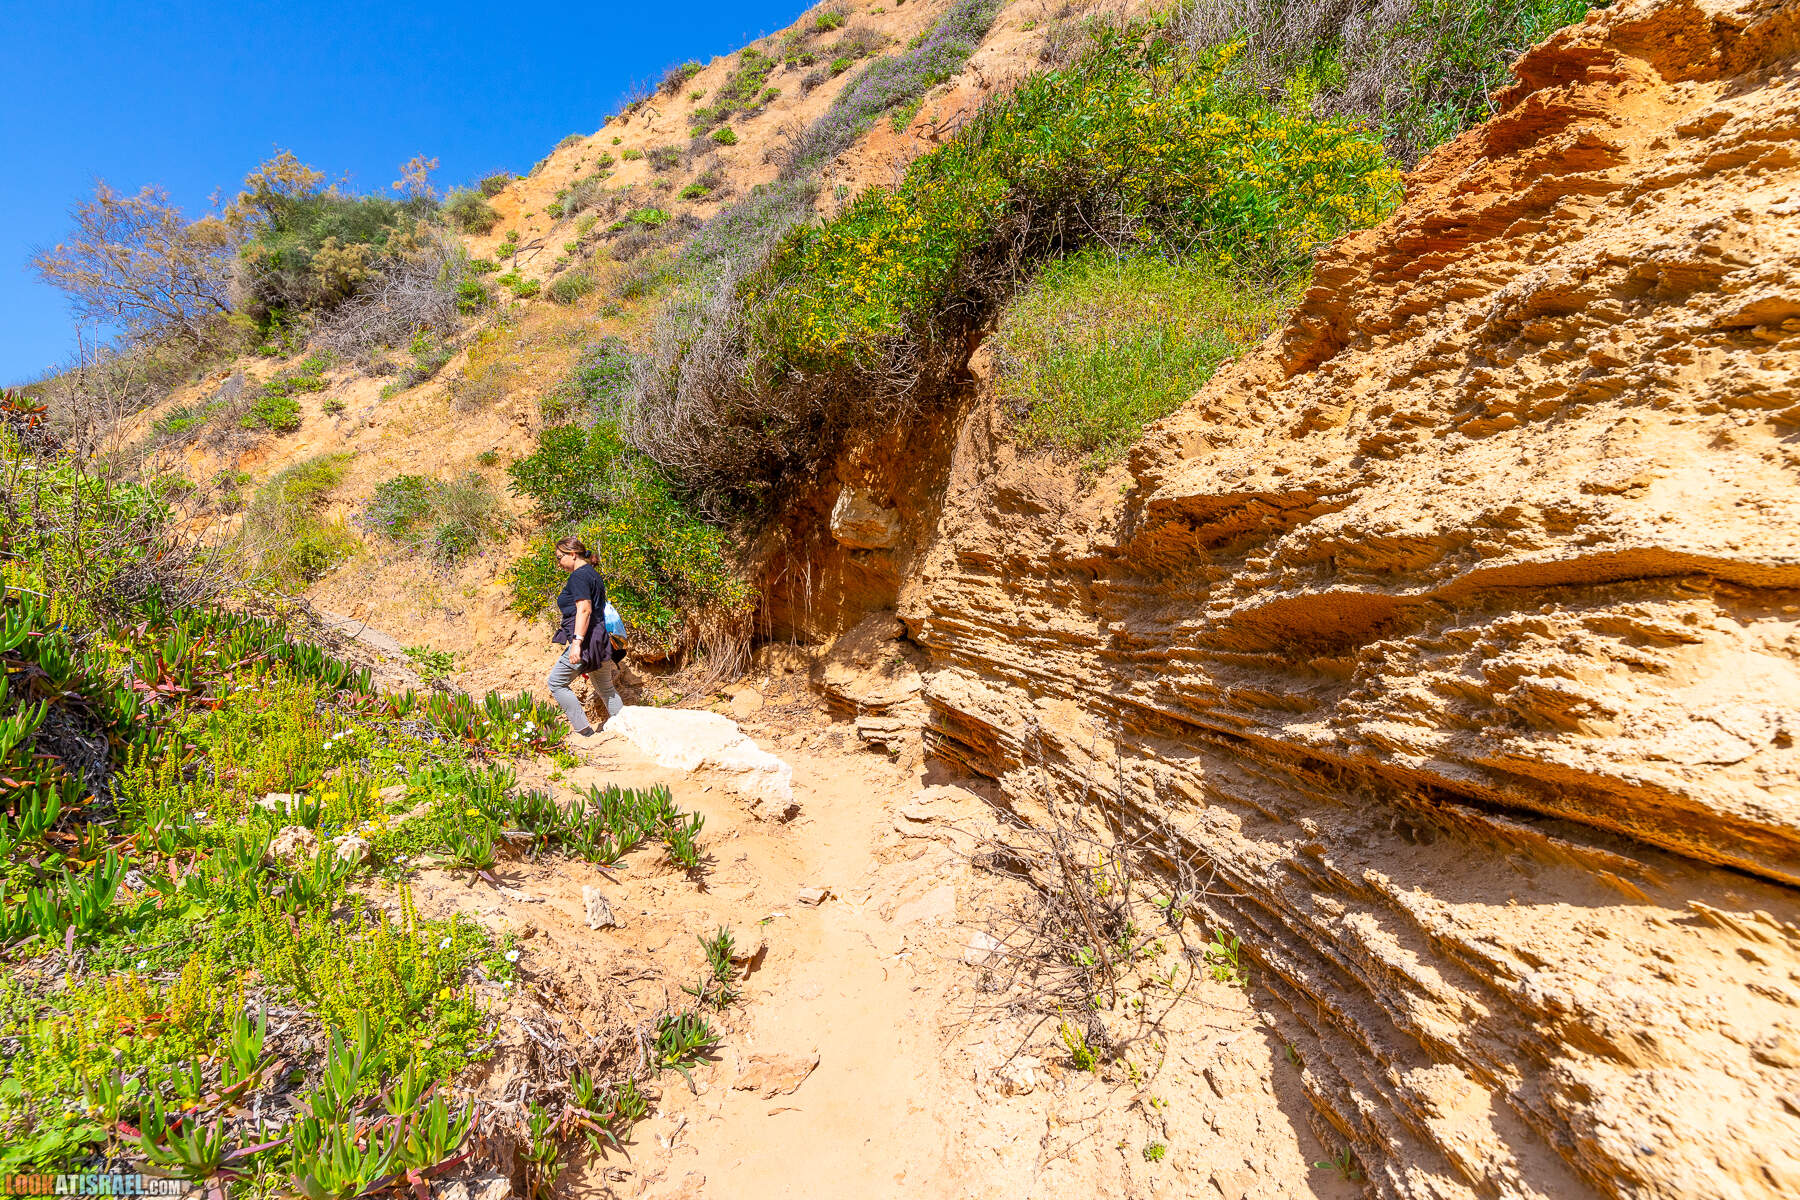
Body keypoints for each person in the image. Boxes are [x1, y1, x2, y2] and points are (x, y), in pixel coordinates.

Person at [546, 535, 622, 741]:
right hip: (600, 639)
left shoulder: (578, 577)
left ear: (572, 554)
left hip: (587, 641)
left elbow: (585, 609)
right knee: (606, 689)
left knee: (556, 682)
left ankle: (584, 732)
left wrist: (577, 643)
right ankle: (626, 728)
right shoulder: (592, 574)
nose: (558, 563)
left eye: (559, 558)